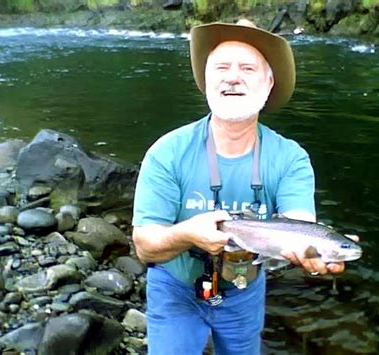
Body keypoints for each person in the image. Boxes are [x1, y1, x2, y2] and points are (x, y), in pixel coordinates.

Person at [132, 19, 347, 355]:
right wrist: (188, 234)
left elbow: (299, 220)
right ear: (207, 79)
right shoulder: (167, 152)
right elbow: (145, 246)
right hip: (174, 287)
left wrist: (314, 248)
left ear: (269, 82)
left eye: (248, 67)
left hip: (244, 290)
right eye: (221, 67)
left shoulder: (290, 158)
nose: (233, 77)